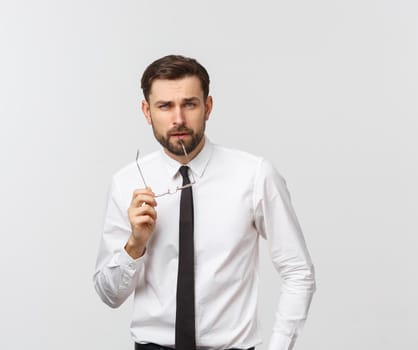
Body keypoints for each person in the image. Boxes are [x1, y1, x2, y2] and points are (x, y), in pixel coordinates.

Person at [93, 55, 316, 350]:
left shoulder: (253, 175)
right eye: (165, 106)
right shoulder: (126, 182)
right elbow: (109, 295)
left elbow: (298, 271)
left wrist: (280, 346)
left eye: (189, 104)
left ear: (207, 107)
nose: (178, 119)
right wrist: (135, 244)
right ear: (147, 111)